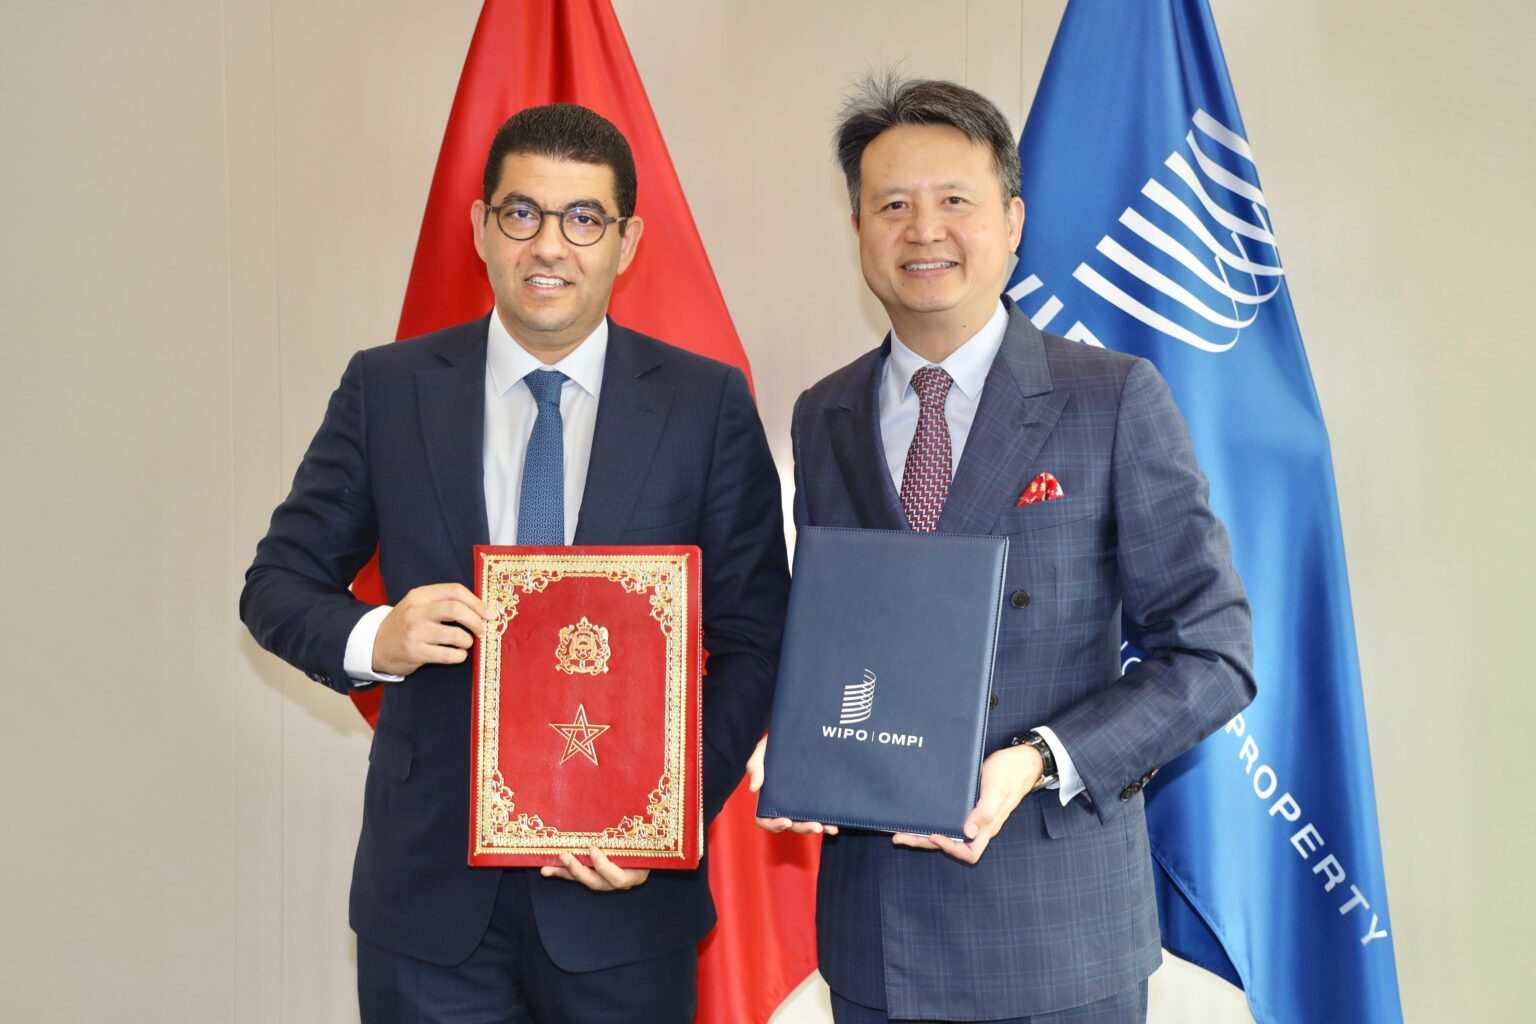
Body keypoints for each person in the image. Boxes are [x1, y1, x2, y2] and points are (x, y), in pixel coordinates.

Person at [241, 103, 788, 1024]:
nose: (550, 245)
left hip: (625, 903)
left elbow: (757, 640)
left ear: (627, 241)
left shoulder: (705, 405)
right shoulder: (388, 388)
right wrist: (380, 636)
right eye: (522, 213)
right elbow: (276, 585)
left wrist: (668, 814)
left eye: (584, 219)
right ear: (481, 228)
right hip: (429, 901)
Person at [749, 75, 1255, 1023]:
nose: (923, 230)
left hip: (1055, 933)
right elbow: (839, 634)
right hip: (875, 938)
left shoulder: (1111, 397)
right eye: (892, 205)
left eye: (955, 200)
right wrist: (801, 740)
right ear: (857, 228)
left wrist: (1037, 759)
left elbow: (1212, 650)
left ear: (1013, 221)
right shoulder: (825, 414)